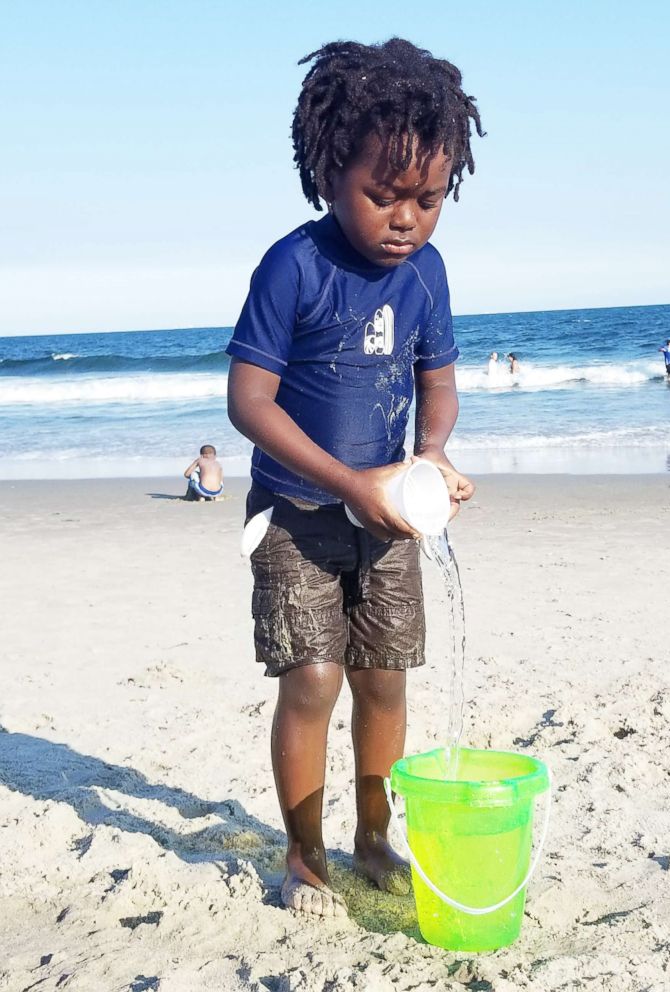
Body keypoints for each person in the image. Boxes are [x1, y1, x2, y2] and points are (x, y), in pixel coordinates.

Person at [226, 38, 482, 918]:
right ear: (333, 170)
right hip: (297, 514)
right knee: (314, 680)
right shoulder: (292, 266)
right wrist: (348, 482)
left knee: (383, 678)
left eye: (429, 199)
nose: (406, 217)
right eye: (384, 194)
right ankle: (303, 857)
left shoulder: (428, 275)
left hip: (389, 522)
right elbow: (250, 402)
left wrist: (433, 454)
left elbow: (436, 385)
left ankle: (373, 836)